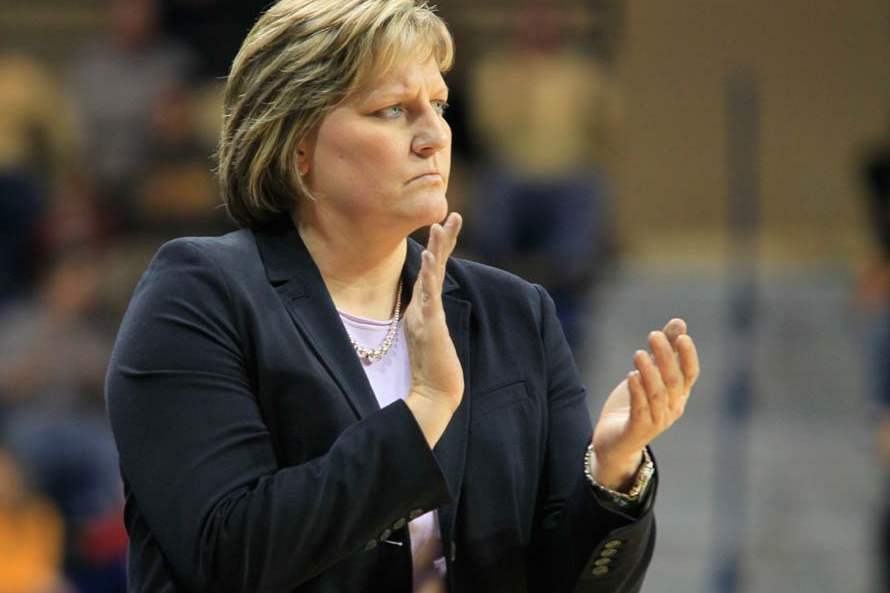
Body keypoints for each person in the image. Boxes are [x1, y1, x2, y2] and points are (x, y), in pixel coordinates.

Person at [105, 1, 700, 592]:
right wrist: (425, 411)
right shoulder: (200, 296)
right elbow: (228, 555)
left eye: (438, 105)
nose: (434, 136)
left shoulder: (515, 313)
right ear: (297, 145)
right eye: (392, 110)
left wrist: (611, 471)